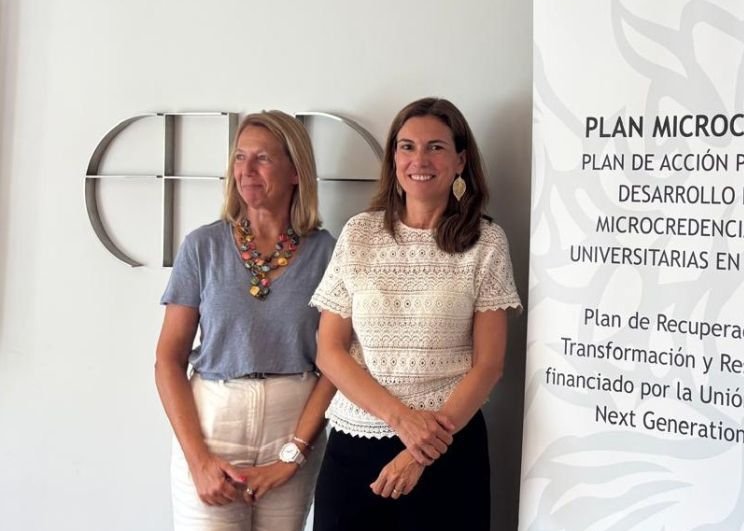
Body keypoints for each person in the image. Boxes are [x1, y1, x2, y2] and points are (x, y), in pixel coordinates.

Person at [311, 97, 522, 530]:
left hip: (448, 450)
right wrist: (401, 420)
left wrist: (419, 451)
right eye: (407, 146)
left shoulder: (486, 242)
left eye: (436, 147)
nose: (419, 160)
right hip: (355, 447)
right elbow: (329, 351)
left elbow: (489, 365)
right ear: (394, 158)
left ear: (460, 160)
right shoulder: (359, 233)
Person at [155, 111, 338, 530]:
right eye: (240, 157)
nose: (246, 170)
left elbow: (336, 363)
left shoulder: (327, 252)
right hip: (213, 425)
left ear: (296, 172)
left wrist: (294, 453)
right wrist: (198, 461)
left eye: (263, 158)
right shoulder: (203, 246)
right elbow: (167, 360)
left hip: (293, 425)